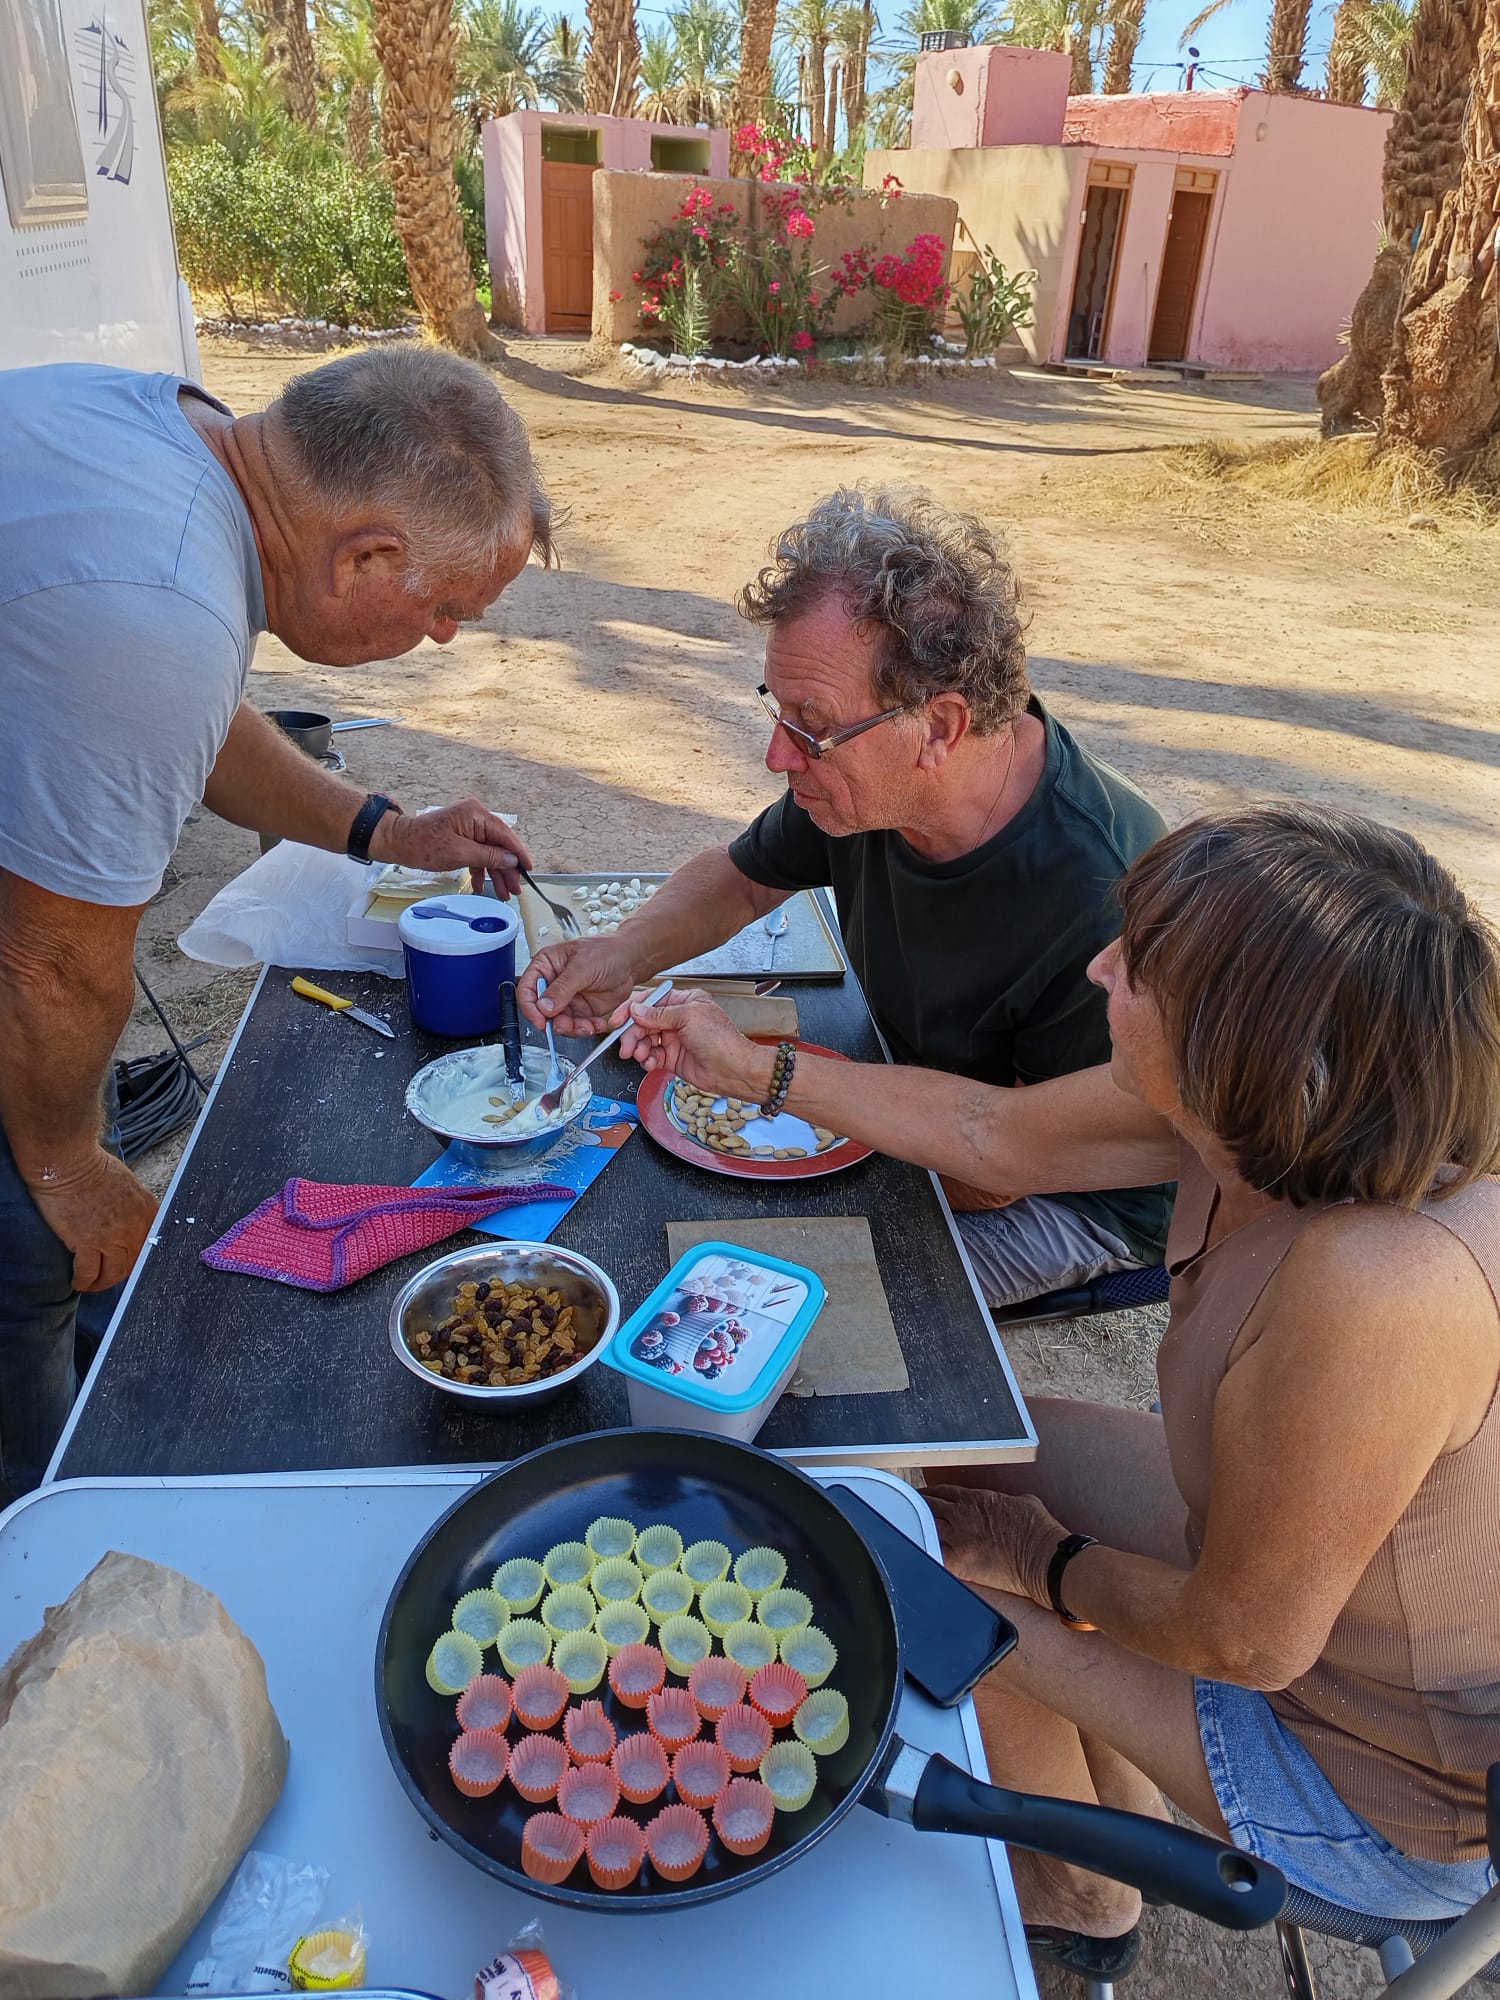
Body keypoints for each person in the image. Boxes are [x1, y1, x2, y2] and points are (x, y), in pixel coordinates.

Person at [624, 804, 1500, 1980]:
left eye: (1140, 962)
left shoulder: (1376, 1287)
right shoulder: (1263, 1114)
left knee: (912, 1579)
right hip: (1294, 1572)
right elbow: (988, 1127)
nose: (1100, 966)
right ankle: (1101, 1792)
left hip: (1373, 1779)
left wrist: (1041, 1558)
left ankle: (1081, 1893)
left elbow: (1246, 1637)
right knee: (929, 1453)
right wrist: (749, 1067)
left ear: (1241, 1042)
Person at [0, 346, 553, 1503]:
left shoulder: (179, 442)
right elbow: (51, 968)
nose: (445, 636)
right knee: (31, 1243)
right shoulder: (159, 605)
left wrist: (388, 829)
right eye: (444, 605)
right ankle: (43, 1535)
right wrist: (67, 1161)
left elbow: (199, 721)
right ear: (367, 556)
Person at [521, 485, 1171, 1307]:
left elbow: (999, 1162)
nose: (778, 756)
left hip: (1066, 1196)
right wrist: (623, 953)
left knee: (777, 1305)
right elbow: (746, 876)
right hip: (922, 1099)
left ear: (940, 728)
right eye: (780, 710)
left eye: (810, 724)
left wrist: (768, 1087)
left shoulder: (1099, 890)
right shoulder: (862, 783)